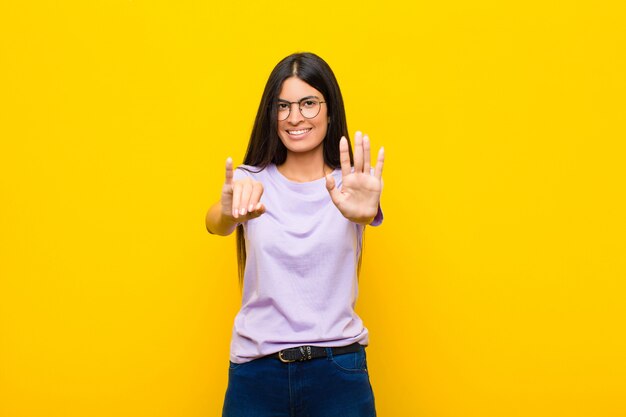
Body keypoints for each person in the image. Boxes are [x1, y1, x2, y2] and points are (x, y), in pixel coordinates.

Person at [205, 52, 385, 417]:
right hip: (257, 373)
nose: (294, 118)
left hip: (339, 372)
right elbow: (215, 224)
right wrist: (226, 212)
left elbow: (365, 211)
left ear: (330, 109)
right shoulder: (250, 180)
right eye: (282, 106)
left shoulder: (352, 186)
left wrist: (366, 212)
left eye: (308, 103)